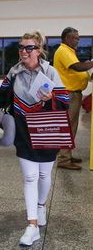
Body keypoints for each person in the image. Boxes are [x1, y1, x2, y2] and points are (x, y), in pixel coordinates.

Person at [0, 31, 69, 246]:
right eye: (21, 47)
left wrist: (52, 98)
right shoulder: (14, 72)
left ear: (39, 50)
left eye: (29, 48)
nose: (24, 51)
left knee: (44, 174)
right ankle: (32, 225)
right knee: (30, 177)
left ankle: (40, 206)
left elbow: (64, 102)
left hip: (47, 130)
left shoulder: (51, 72)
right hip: (23, 130)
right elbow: (2, 98)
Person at [53, 27, 93, 170]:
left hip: (73, 94)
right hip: (68, 95)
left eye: (78, 37)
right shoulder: (63, 50)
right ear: (67, 38)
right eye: (76, 37)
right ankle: (64, 159)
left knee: (71, 127)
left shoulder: (69, 51)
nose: (78, 40)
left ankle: (67, 155)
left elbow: (78, 70)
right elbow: (77, 67)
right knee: (68, 127)